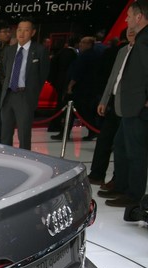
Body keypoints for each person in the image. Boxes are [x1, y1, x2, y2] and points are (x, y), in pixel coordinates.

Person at [106, 0, 148, 209]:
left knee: (135, 152)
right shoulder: (141, 39)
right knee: (122, 146)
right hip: (131, 106)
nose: (126, 19)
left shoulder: (145, 41)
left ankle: (133, 195)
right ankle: (122, 186)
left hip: (137, 107)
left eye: (129, 15)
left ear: (139, 17)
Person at [0, 18, 50, 150]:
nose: (21, 33)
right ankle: (6, 158)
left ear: (32, 32)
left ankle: (24, 159)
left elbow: (43, 74)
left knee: (24, 134)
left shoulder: (40, 50)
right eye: (19, 30)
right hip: (8, 95)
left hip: (25, 96)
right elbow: (4, 71)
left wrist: (32, 93)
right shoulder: (9, 50)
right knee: (5, 134)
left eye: (26, 30)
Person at [94, 29, 134, 191]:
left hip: (130, 105)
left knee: (122, 145)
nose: (131, 33)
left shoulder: (140, 52)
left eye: (134, 31)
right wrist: (104, 100)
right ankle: (97, 174)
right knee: (104, 139)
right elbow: (113, 78)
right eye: (129, 31)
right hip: (114, 102)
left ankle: (119, 180)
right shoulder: (122, 51)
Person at [61, 36, 101, 140]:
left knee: (80, 111)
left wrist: (70, 85)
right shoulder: (94, 55)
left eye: (83, 43)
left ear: (89, 44)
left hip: (81, 89)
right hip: (88, 88)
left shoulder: (84, 56)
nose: (80, 44)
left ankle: (66, 133)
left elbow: (78, 72)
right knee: (84, 111)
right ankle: (91, 131)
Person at [47, 37, 79, 132]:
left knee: (60, 104)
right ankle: (56, 125)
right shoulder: (72, 54)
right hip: (65, 83)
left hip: (58, 82)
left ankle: (55, 125)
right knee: (62, 104)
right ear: (76, 44)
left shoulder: (61, 52)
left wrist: (53, 79)